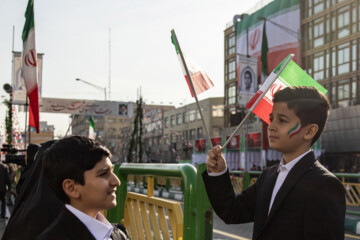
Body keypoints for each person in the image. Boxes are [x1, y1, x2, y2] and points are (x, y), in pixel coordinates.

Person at [203, 86, 345, 240]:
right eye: (271, 119)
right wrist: (219, 173)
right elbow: (233, 212)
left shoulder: (324, 185)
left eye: (282, 120)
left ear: (309, 131)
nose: (271, 126)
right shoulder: (268, 176)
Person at [37, 136, 129, 240]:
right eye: (103, 174)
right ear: (71, 188)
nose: (116, 181)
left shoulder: (117, 233)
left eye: (112, 171)